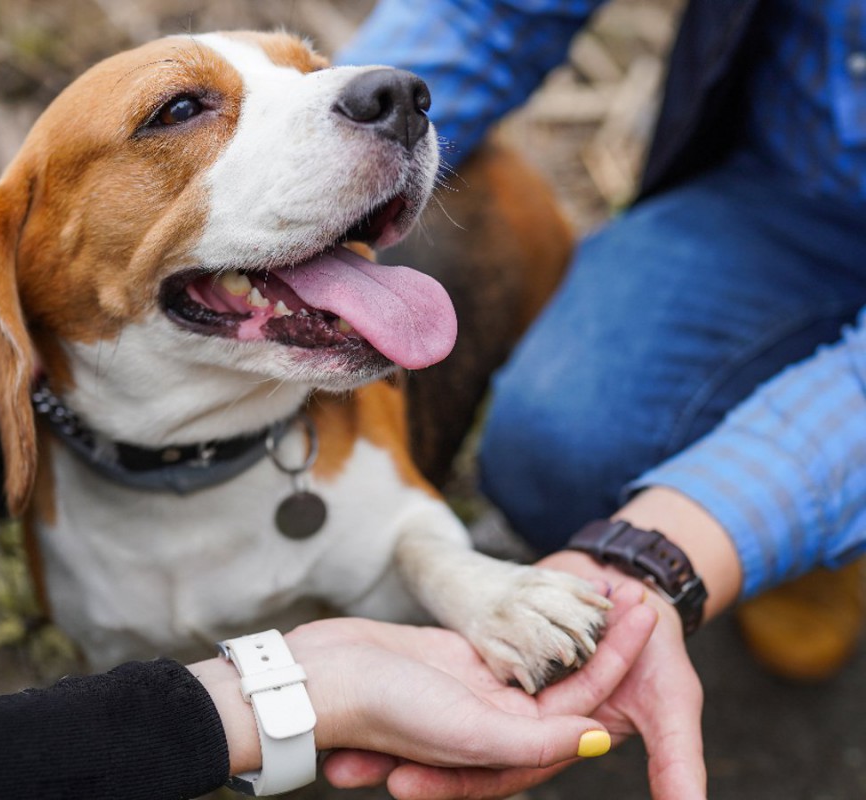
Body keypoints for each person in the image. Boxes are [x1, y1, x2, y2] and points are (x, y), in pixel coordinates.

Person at [0, 69, 665, 798]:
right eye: (183, 110)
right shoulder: (19, 353)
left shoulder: (355, 353)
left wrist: (464, 581)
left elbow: (409, 532)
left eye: (302, 73)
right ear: (29, 254)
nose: (379, 94)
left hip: (494, 269)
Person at [332, 0, 866, 797]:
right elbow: (492, 14)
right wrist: (327, 152)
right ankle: (807, 518)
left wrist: (662, 554)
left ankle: (822, 533)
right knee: (559, 444)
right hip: (781, 197)